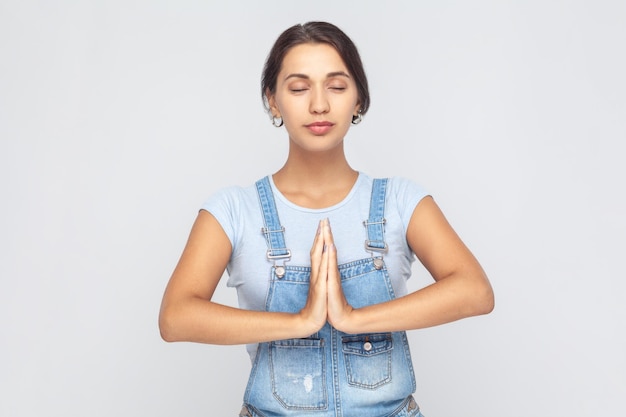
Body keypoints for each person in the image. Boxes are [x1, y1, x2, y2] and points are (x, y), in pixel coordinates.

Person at [159, 21, 494, 417]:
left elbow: (476, 291)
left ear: (358, 101)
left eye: (336, 86)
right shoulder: (234, 210)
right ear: (272, 101)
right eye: (299, 88)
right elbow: (174, 317)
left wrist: (351, 318)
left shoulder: (400, 201)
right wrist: (301, 321)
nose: (319, 104)